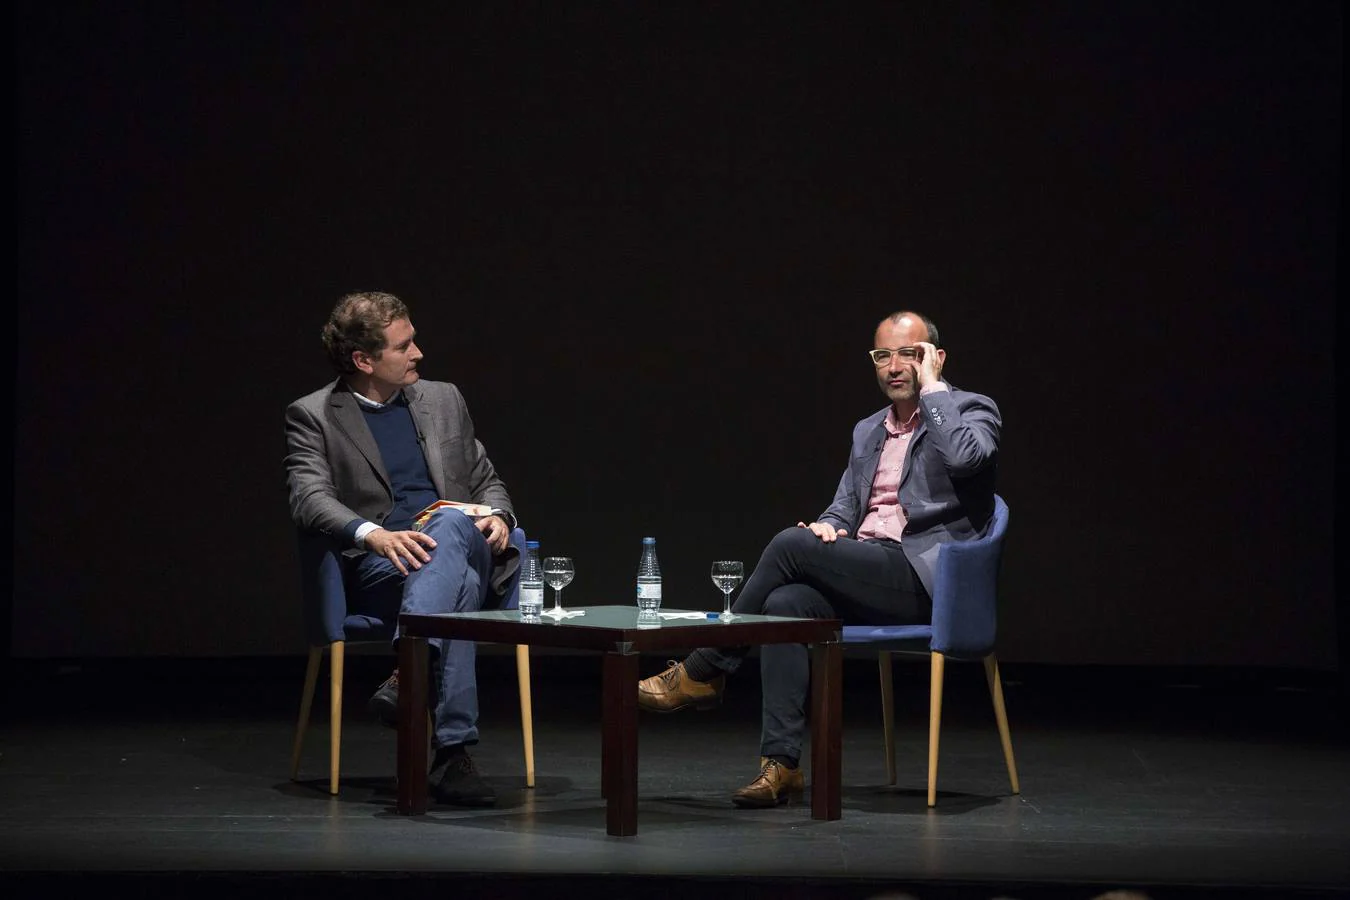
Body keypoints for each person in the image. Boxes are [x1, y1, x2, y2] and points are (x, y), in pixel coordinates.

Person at [637, 310, 1000, 808]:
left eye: (908, 354)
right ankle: (781, 767)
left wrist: (934, 390)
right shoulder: (868, 430)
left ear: (935, 358)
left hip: (926, 581)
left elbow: (965, 459)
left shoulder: (972, 409)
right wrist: (829, 525)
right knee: (787, 603)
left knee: (790, 544)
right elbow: (845, 506)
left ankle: (705, 666)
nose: (894, 366)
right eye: (882, 355)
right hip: (870, 569)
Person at [285, 291, 520, 807]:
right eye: (404, 345)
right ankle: (452, 753)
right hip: (385, 564)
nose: (419, 354)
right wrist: (374, 535)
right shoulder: (315, 415)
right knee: (453, 583)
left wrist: (499, 515)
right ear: (363, 360)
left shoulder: (442, 399)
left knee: (454, 526)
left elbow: (486, 480)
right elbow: (309, 497)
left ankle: (407, 669)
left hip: (463, 547)